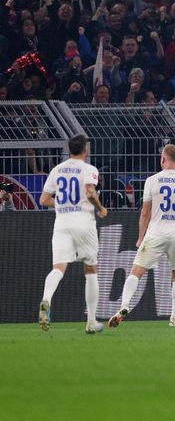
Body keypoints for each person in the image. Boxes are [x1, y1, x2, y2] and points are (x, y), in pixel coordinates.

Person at [108, 145, 175, 328]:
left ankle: (124, 305)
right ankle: (174, 317)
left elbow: (145, 212)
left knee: (137, 270)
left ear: (163, 159)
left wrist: (141, 237)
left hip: (156, 232)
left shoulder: (152, 180)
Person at [38, 134, 108, 334]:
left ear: (69, 149)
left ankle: (46, 300)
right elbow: (90, 193)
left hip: (62, 224)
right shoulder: (88, 169)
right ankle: (92, 321)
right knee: (91, 270)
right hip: (83, 223)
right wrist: (100, 209)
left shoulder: (57, 170)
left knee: (58, 269)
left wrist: (61, 204)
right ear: (85, 149)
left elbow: (44, 200)